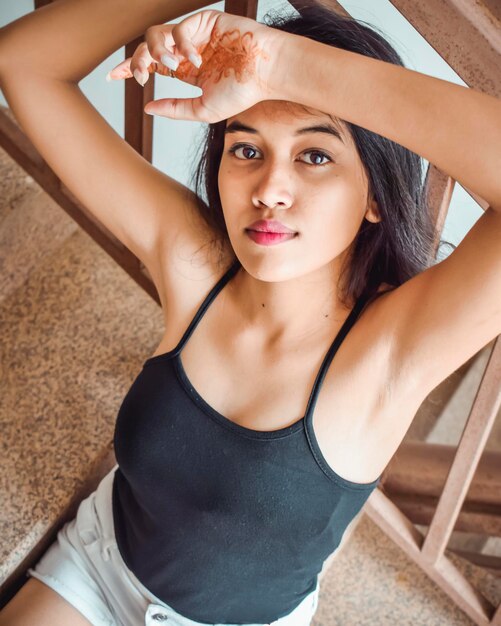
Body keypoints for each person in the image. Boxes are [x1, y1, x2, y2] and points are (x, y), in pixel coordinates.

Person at [1, 1, 500, 625]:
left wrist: (281, 63)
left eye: (314, 156)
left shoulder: (389, 353)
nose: (268, 189)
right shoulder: (195, 264)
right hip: (98, 568)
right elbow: (23, 64)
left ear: (374, 197)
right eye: (245, 150)